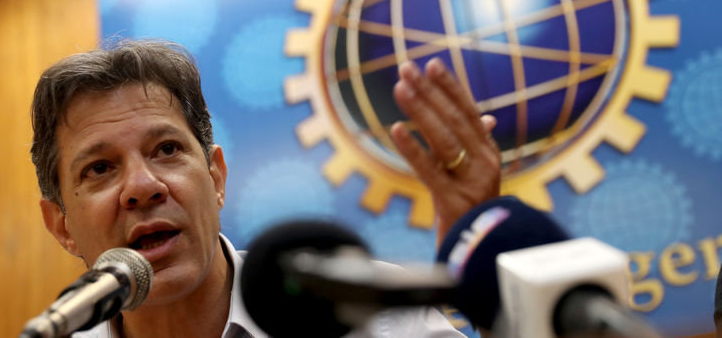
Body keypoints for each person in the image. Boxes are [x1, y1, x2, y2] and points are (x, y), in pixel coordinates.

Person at [30, 39, 501, 338]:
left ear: (215, 178)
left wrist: (496, 280)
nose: (142, 186)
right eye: (98, 169)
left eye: (167, 149)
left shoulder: (367, 312)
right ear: (62, 226)